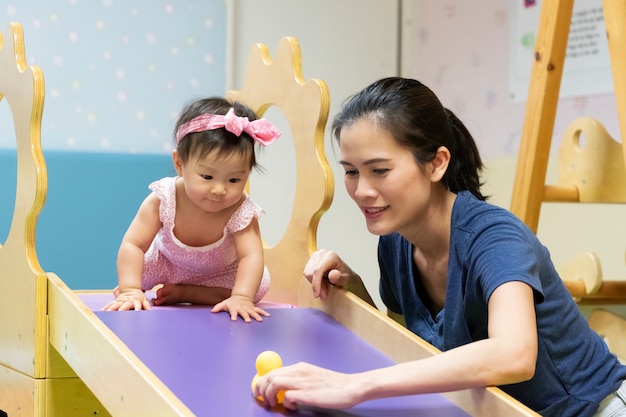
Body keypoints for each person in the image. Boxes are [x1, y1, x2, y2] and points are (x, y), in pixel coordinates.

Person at [254, 77, 626, 416]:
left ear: (436, 164)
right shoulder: (395, 241)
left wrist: (354, 385)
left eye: (379, 170)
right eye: (351, 171)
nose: (362, 190)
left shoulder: (495, 236)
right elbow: (407, 347)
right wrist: (355, 289)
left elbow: (515, 354)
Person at [103, 97, 281, 322]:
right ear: (180, 164)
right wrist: (130, 288)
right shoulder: (163, 198)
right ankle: (135, 290)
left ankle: (188, 292)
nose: (219, 190)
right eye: (207, 176)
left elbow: (251, 256)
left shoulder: (240, 210)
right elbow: (134, 244)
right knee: (134, 272)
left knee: (257, 286)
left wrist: (242, 297)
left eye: (234, 179)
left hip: (220, 272)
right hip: (165, 263)